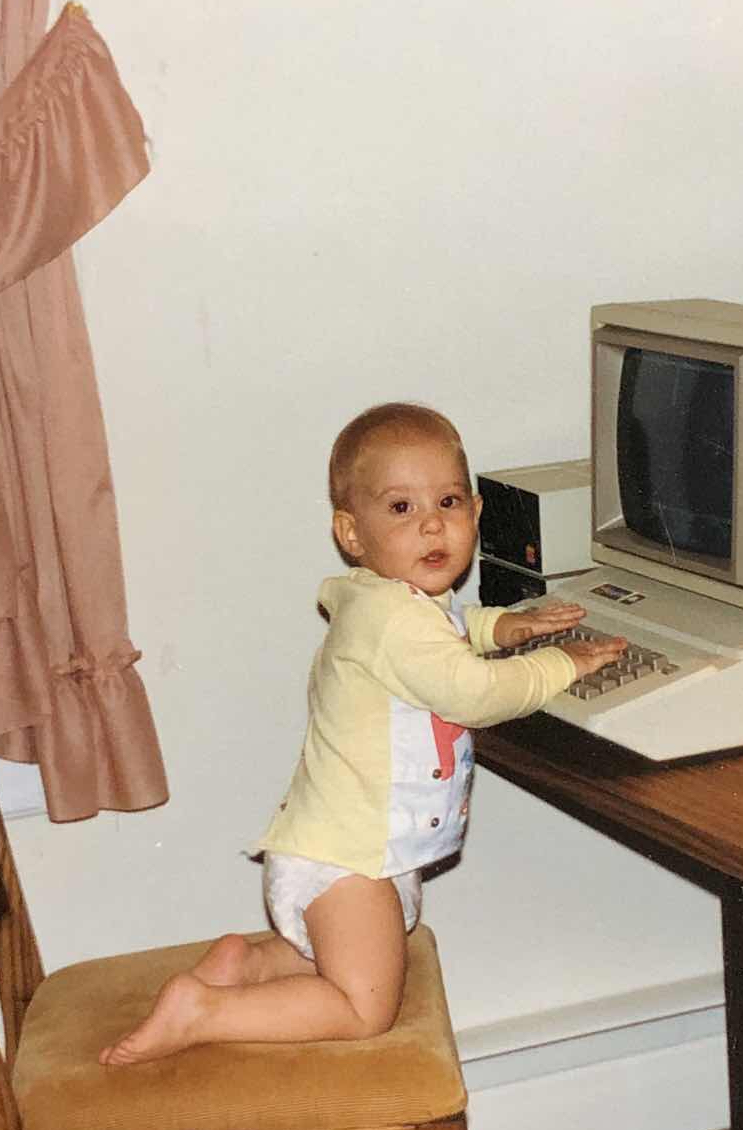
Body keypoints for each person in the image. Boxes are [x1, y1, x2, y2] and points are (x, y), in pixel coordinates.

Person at [101, 402, 625, 1065]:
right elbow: (473, 693)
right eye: (401, 509)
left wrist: (505, 628)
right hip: (346, 864)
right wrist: (562, 662)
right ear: (352, 533)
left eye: (449, 501)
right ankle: (206, 1010)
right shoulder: (392, 624)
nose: (433, 522)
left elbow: (450, 629)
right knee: (363, 1006)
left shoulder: (392, 603)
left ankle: (250, 965)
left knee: (341, 959)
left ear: (476, 512)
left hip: (342, 850)